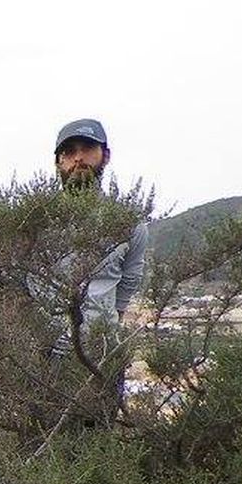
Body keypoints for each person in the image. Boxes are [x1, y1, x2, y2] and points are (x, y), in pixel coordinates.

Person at [49, 117, 149, 364]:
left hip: (102, 356)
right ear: (58, 161)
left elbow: (129, 280)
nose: (78, 158)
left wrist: (104, 329)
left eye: (87, 148)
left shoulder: (129, 223)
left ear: (105, 155)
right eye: (69, 152)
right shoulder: (35, 222)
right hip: (43, 355)